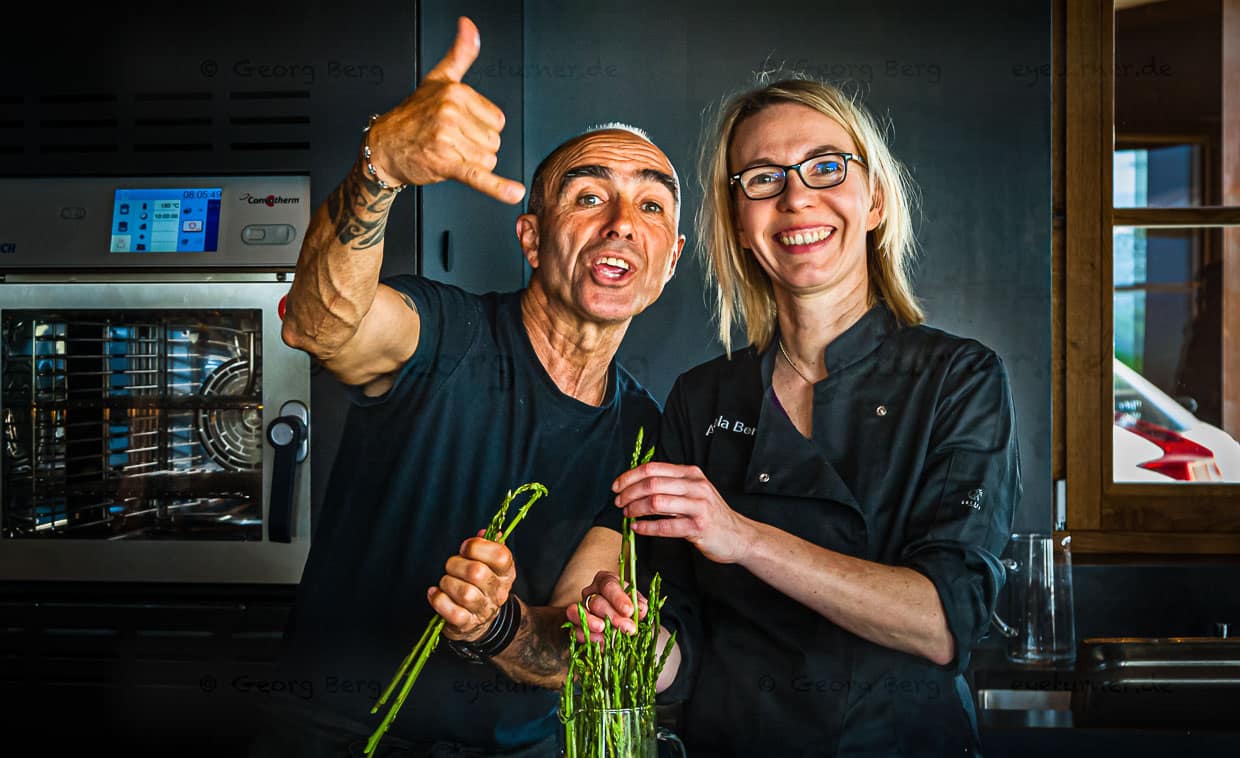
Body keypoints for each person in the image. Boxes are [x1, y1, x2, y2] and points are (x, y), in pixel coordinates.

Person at [253, 15, 685, 758]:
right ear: (532, 237)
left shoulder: (641, 430)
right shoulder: (444, 332)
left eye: (651, 206)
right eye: (588, 196)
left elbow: (570, 634)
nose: (621, 223)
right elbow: (319, 327)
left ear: (669, 259)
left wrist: (495, 625)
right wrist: (380, 163)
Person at [576, 77, 1021, 757]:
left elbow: (943, 621)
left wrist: (743, 537)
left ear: (872, 199)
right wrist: (631, 634)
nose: (796, 197)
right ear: (739, 225)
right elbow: (681, 654)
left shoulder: (957, 380)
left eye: (825, 167)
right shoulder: (702, 400)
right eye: (762, 178)